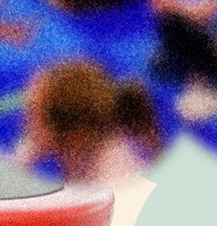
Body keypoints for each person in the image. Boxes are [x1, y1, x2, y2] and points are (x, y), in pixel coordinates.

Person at [14, 59, 161, 186]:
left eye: (33, 116)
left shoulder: (113, 175)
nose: (25, 124)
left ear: (76, 135)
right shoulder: (79, 146)